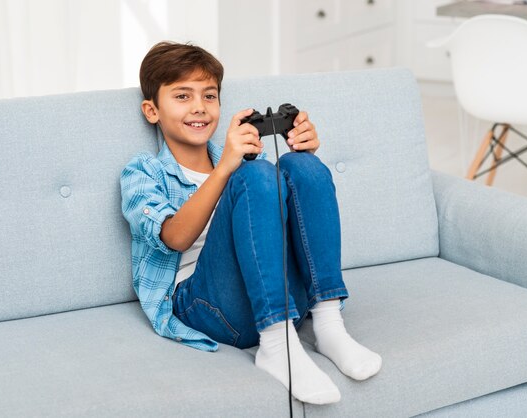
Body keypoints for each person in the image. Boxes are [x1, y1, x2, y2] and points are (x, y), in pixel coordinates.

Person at [120, 41, 382, 405]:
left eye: (209, 96)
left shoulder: (241, 160)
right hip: (205, 305)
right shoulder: (143, 172)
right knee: (256, 175)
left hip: (284, 294)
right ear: (152, 110)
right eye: (182, 96)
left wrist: (303, 155)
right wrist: (229, 167)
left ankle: (327, 324)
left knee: (302, 166)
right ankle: (276, 344)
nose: (199, 107)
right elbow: (176, 237)